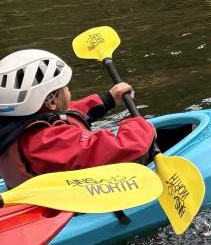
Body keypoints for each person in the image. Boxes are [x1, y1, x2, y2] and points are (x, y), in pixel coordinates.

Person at [0, 49, 156, 185]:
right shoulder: (48, 142)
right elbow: (126, 148)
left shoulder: (15, 125)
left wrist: (108, 99)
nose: (68, 90)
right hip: (70, 205)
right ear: (51, 101)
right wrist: (140, 126)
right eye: (65, 87)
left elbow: (67, 113)